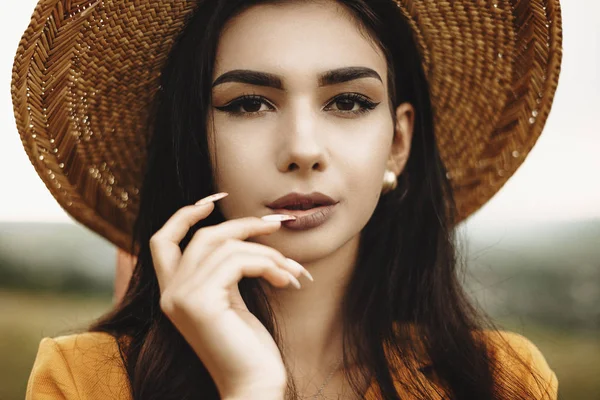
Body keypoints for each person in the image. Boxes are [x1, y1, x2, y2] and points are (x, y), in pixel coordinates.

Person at [12, 0, 563, 399]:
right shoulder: (85, 380)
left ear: (398, 143)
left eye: (348, 101)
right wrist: (249, 389)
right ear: (194, 140)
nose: (303, 150)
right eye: (249, 104)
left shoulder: (501, 379)